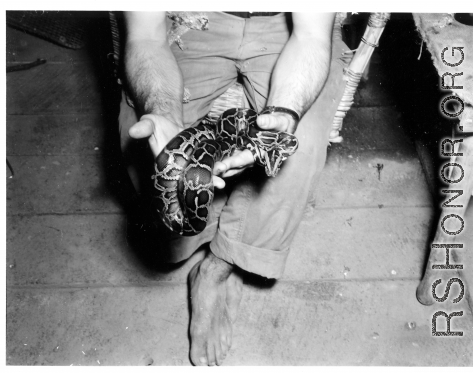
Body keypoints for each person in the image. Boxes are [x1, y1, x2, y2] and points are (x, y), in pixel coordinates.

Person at [119, 11, 350, 366]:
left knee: (299, 153)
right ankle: (200, 238)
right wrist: (163, 109)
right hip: (193, 19)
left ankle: (219, 266)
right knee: (140, 144)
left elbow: (311, 38)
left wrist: (284, 117)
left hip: (289, 28)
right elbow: (146, 36)